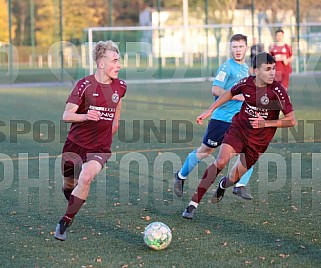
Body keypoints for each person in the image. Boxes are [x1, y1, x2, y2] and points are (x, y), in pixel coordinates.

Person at [182, 52, 296, 219]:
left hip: (259, 142)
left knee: (233, 178)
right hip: (239, 129)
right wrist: (211, 109)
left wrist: (266, 123)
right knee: (220, 161)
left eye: (273, 69)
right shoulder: (246, 83)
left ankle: (223, 185)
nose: (272, 73)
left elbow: (291, 120)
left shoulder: (277, 91)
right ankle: (193, 204)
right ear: (255, 71)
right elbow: (229, 92)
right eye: (267, 69)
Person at [54, 40, 126, 241]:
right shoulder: (84, 85)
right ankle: (74, 201)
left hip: (100, 147)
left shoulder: (121, 86)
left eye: (119, 60)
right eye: (115, 61)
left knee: (86, 177)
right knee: (69, 184)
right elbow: (67, 115)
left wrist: (115, 122)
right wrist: (86, 116)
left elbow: (118, 104)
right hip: (74, 145)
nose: (119, 65)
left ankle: (65, 221)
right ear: (101, 63)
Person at [174, 34, 254, 201]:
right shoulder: (226, 67)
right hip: (221, 119)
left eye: (240, 46)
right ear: (230, 48)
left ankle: (239, 186)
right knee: (205, 151)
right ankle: (181, 176)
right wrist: (235, 96)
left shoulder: (247, 68)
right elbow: (215, 90)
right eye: (234, 47)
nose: (238, 50)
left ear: (246, 48)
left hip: (238, 120)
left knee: (249, 150)